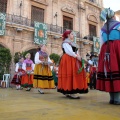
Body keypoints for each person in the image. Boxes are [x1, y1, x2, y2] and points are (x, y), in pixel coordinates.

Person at [97, 8, 120, 105]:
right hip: (117, 48)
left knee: (110, 72)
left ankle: (112, 99)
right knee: (117, 70)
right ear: (113, 16)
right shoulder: (118, 25)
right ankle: (118, 99)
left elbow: (101, 42)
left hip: (105, 50)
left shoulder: (102, 29)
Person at [57, 30, 88, 99]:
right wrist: (77, 56)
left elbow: (76, 51)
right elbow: (69, 52)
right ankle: (70, 91)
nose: (73, 35)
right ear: (68, 35)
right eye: (72, 34)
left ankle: (70, 90)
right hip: (68, 59)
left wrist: (79, 57)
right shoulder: (65, 42)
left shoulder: (73, 43)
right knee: (70, 74)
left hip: (73, 59)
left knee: (74, 74)